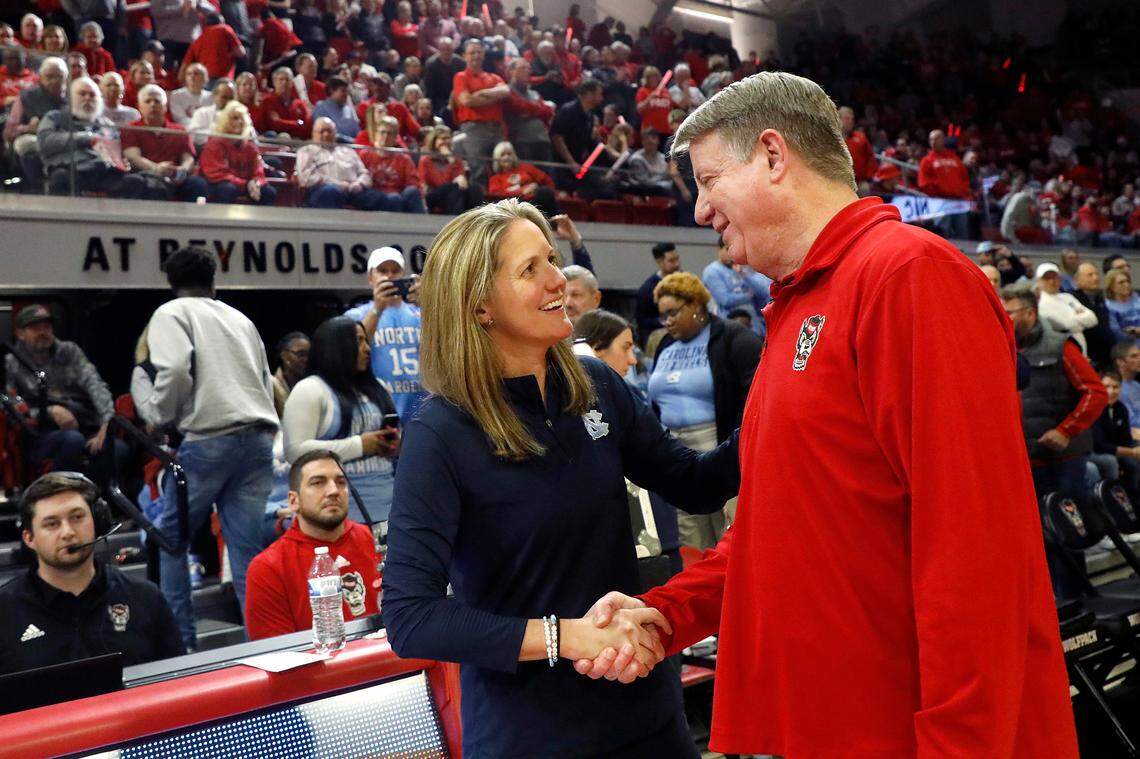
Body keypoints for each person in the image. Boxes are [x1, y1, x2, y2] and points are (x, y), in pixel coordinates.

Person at [574, 72, 1079, 757]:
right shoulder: (800, 305)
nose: (699, 210)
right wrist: (666, 613)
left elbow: (974, 547)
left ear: (775, 156)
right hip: (835, 726)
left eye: (708, 179)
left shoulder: (907, 275)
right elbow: (779, 527)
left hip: (912, 734)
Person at [382, 199, 740, 757]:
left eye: (552, 257)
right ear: (480, 307)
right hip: (531, 732)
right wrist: (563, 635)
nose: (558, 279)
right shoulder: (441, 431)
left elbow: (695, 483)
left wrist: (779, 409)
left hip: (644, 707)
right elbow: (410, 617)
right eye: (531, 269)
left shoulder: (595, 385)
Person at [140, 246, 278, 650]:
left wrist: (160, 412)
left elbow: (177, 366)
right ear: (213, 278)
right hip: (257, 438)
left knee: (169, 539)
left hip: (211, 438)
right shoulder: (240, 317)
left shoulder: (171, 313)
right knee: (246, 549)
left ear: (171, 282)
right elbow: (265, 377)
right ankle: (263, 645)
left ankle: (180, 648)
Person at [0, 472, 184, 675]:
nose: (68, 532)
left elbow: (177, 684)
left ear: (97, 522)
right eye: (52, 524)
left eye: (77, 517)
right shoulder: (5, 610)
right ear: (29, 538)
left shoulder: (145, 597)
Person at [1002, 286, 1107, 598]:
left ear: (1030, 313)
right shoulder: (1001, 348)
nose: (1004, 318)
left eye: (1010, 312)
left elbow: (1095, 392)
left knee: (1068, 535)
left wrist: (1066, 430)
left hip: (1064, 458)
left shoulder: (1061, 345)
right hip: (1027, 456)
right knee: (1039, 541)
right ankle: (1054, 608)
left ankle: (1078, 603)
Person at [648, 272, 762, 550]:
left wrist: (737, 447)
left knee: (729, 538)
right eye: (662, 316)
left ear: (696, 305)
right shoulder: (664, 343)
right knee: (692, 541)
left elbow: (754, 397)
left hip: (721, 447)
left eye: (673, 313)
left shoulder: (735, 339)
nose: (668, 322)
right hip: (675, 452)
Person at [245, 450, 383, 640]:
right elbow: (277, 657)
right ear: (293, 501)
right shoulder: (267, 568)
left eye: (341, 482)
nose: (333, 490)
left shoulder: (376, 542)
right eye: (318, 483)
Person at [282, 318, 399, 525]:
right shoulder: (310, 390)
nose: (367, 349)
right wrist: (359, 445)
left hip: (390, 506)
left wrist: (394, 445)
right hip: (338, 512)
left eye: (366, 341)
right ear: (335, 346)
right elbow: (295, 451)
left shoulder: (378, 387)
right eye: (359, 341)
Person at [4, 305, 123, 478]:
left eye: (47, 327)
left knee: (117, 449)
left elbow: (94, 383)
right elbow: (11, 407)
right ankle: (56, 496)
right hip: (40, 432)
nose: (43, 332)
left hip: (84, 423)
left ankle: (96, 499)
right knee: (72, 441)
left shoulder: (69, 351)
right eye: (36, 328)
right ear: (20, 333)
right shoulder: (12, 362)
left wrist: (107, 421)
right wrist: (49, 412)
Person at [343, 247, 427, 423]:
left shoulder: (420, 313)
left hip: (421, 407)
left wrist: (428, 302)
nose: (389, 276)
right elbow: (349, 353)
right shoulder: (356, 316)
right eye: (382, 271)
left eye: (395, 271)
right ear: (370, 278)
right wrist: (378, 309)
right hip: (378, 409)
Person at [37, 76, 145, 198]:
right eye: (82, 94)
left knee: (136, 182)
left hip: (103, 172)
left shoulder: (107, 125)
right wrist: (86, 138)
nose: (87, 98)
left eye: (92, 95)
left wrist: (121, 162)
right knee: (60, 177)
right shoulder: (54, 117)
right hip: (71, 169)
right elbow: (44, 143)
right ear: (71, 98)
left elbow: (116, 152)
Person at [120, 84, 209, 202]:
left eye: (157, 101)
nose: (153, 104)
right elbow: (133, 157)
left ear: (165, 107)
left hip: (174, 177)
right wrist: (156, 169)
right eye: (148, 101)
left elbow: (188, 158)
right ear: (140, 107)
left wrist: (182, 169)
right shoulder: (131, 129)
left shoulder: (179, 130)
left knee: (198, 183)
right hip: (146, 175)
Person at [4, 56, 68, 192]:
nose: (55, 81)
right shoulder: (26, 97)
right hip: (35, 140)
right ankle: (37, 188)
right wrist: (28, 128)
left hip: (63, 142)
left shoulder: (72, 98)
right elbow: (9, 132)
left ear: (66, 78)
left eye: (59, 76)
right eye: (49, 77)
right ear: (41, 79)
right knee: (26, 144)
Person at [451, 38, 509, 185]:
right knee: (478, 170)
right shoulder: (460, 77)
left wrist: (481, 93)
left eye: (479, 52)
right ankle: (479, 207)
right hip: (474, 129)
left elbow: (506, 91)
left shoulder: (494, 77)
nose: (476, 56)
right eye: (472, 53)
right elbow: (467, 101)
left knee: (503, 170)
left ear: (483, 54)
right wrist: (494, 96)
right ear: (464, 56)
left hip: (496, 129)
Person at [295, 116, 383, 210]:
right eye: (322, 131)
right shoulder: (306, 151)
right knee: (331, 191)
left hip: (353, 190)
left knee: (380, 198)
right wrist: (337, 184)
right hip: (323, 190)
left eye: (329, 131)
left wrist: (359, 183)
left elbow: (364, 173)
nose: (326, 134)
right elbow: (306, 178)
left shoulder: (348, 151)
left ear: (335, 133)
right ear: (313, 133)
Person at [197, 101, 277, 205]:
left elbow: (258, 171)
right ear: (225, 121)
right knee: (227, 189)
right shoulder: (214, 144)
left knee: (268, 192)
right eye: (235, 118)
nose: (239, 122)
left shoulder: (250, 147)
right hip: (219, 184)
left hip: (245, 184)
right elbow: (218, 174)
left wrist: (256, 183)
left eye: (241, 119)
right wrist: (246, 184)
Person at [702, 235, 771, 338]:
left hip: (754, 325)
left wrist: (744, 275)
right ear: (719, 249)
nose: (731, 253)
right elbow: (725, 300)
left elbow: (763, 293)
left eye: (732, 248)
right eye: (727, 249)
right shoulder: (712, 271)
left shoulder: (741, 268)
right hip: (730, 327)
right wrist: (748, 296)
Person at [550, 78, 609, 198]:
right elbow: (557, 137)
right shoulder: (568, 110)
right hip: (563, 166)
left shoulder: (591, 116)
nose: (601, 98)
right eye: (599, 94)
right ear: (588, 94)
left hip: (580, 166)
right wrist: (571, 162)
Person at [360, 115, 426, 213]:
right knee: (393, 199)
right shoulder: (365, 154)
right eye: (383, 132)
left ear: (396, 136)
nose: (386, 137)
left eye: (390, 134)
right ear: (376, 133)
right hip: (373, 197)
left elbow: (413, 183)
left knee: (411, 192)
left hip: (398, 196)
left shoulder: (403, 158)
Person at [917, 129, 971, 239]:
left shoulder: (955, 159)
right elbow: (923, 183)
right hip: (940, 201)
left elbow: (965, 179)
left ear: (943, 140)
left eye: (936, 138)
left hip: (958, 201)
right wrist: (938, 192)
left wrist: (964, 193)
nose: (933, 141)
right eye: (931, 139)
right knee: (942, 234)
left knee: (963, 233)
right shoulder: (926, 160)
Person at [418, 125, 483, 214]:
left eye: (449, 138)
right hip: (433, 196)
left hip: (455, 193)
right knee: (452, 188)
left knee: (476, 188)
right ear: (434, 141)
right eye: (443, 139)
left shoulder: (456, 160)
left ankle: (476, 220)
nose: (447, 141)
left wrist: (452, 161)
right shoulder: (426, 160)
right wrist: (451, 163)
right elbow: (440, 182)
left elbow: (463, 183)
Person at [1035, 262, 1097, 354]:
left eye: (1054, 277)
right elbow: (1066, 325)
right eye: (1047, 278)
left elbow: (1093, 318)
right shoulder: (1040, 304)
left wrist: (1072, 320)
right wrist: (1080, 318)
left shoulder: (1067, 297)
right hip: (1063, 351)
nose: (1052, 281)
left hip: (1082, 350)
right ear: (1039, 281)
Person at [487, 140, 559, 217]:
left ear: (514, 156)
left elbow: (547, 180)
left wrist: (537, 187)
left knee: (545, 192)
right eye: (502, 155)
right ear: (497, 159)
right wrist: (522, 191)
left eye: (509, 154)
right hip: (514, 209)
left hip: (535, 203)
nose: (506, 157)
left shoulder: (527, 168)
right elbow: (497, 197)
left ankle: (557, 222)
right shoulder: (495, 179)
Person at [634, 242, 681, 345]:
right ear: (660, 262)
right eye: (671, 261)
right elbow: (642, 320)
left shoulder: (684, 280)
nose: (677, 264)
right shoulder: (648, 289)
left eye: (677, 259)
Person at [179, 13, 245, 82]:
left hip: (205, 79)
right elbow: (241, 52)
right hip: (223, 78)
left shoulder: (197, 40)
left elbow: (183, 69)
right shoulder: (224, 29)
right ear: (221, 22)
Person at [1072, 262, 1115, 369]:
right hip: (1088, 356)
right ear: (1077, 280)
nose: (1095, 278)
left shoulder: (1099, 298)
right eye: (1090, 275)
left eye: (1096, 274)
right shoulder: (1072, 299)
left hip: (1105, 355)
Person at [423, 35, 464, 117]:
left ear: (453, 49)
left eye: (448, 49)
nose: (446, 52)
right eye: (443, 49)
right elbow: (430, 90)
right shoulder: (431, 65)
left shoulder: (460, 62)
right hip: (438, 99)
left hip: (457, 96)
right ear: (438, 50)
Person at [185, 78, 235, 146]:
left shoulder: (240, 115)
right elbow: (193, 135)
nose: (228, 101)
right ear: (214, 96)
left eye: (231, 98)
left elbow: (250, 136)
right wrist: (218, 132)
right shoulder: (202, 113)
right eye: (224, 97)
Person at [272, 332, 310, 418]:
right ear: (284, 355)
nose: (306, 360)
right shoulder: (271, 386)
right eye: (300, 354)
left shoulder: (312, 387)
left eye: (309, 356)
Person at [838, 105, 876, 186]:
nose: (851, 121)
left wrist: (869, 177)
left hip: (860, 183)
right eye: (847, 118)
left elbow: (870, 158)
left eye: (852, 119)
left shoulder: (861, 137)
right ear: (838, 119)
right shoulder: (831, 138)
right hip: (838, 183)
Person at [1104, 268, 1140, 341]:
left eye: (1128, 281)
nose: (1126, 284)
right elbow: (1116, 333)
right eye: (1121, 282)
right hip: (1124, 347)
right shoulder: (1108, 306)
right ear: (1111, 286)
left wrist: (1134, 330)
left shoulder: (1137, 300)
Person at [1111, 339, 1140, 427]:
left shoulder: (1136, 385)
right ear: (1120, 362)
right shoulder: (1115, 389)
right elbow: (1129, 422)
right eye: (1134, 356)